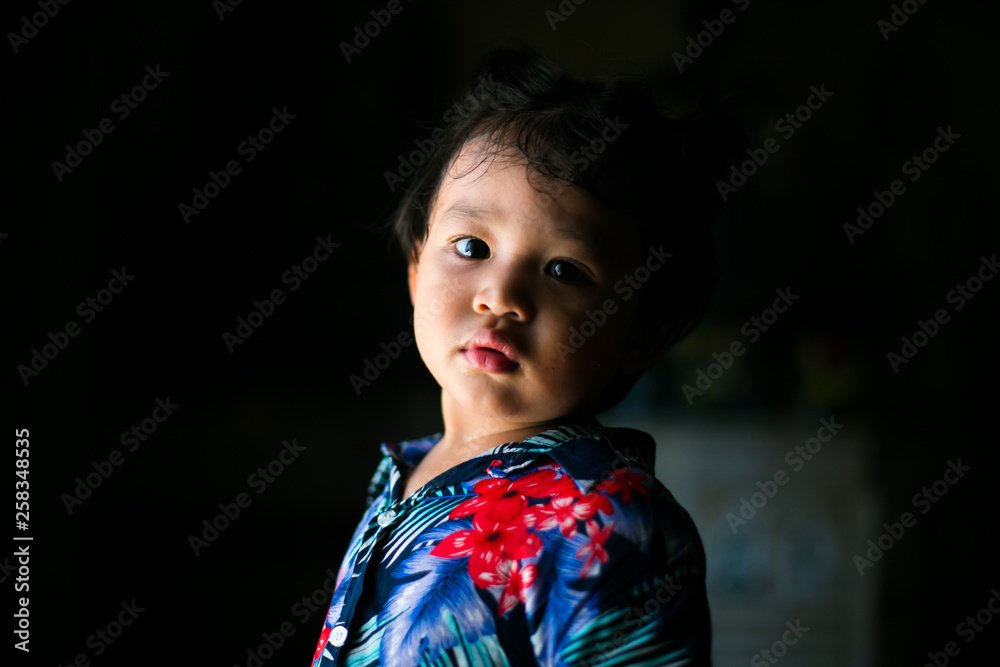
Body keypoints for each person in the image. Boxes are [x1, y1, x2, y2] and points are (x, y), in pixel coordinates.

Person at [312, 45, 737, 667]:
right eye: (471, 246)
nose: (502, 296)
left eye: (564, 268)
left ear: (645, 327)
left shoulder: (610, 526)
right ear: (414, 269)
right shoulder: (405, 475)